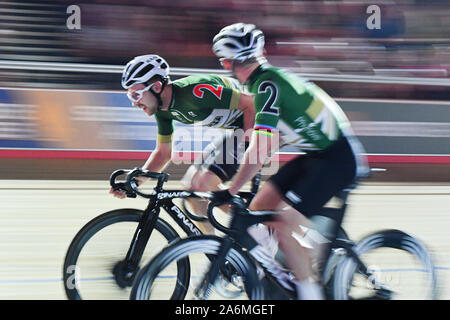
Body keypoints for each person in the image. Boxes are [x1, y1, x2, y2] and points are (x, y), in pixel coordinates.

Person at [210, 23, 369, 299]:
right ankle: (285, 268)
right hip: (318, 154)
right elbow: (268, 141)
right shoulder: (268, 81)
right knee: (259, 206)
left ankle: (309, 292)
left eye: (223, 62)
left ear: (230, 63)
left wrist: (231, 189)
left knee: (283, 222)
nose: (225, 67)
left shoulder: (267, 85)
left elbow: (259, 150)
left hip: (338, 158)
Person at [110, 54, 255, 234]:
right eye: (129, 95)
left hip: (261, 124)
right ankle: (214, 254)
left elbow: (252, 103)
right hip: (237, 129)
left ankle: (255, 230)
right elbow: (164, 153)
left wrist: (251, 146)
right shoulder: (162, 109)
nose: (134, 103)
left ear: (156, 87)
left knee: (203, 184)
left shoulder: (195, 92)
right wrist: (135, 182)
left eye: (136, 94)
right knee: (191, 191)